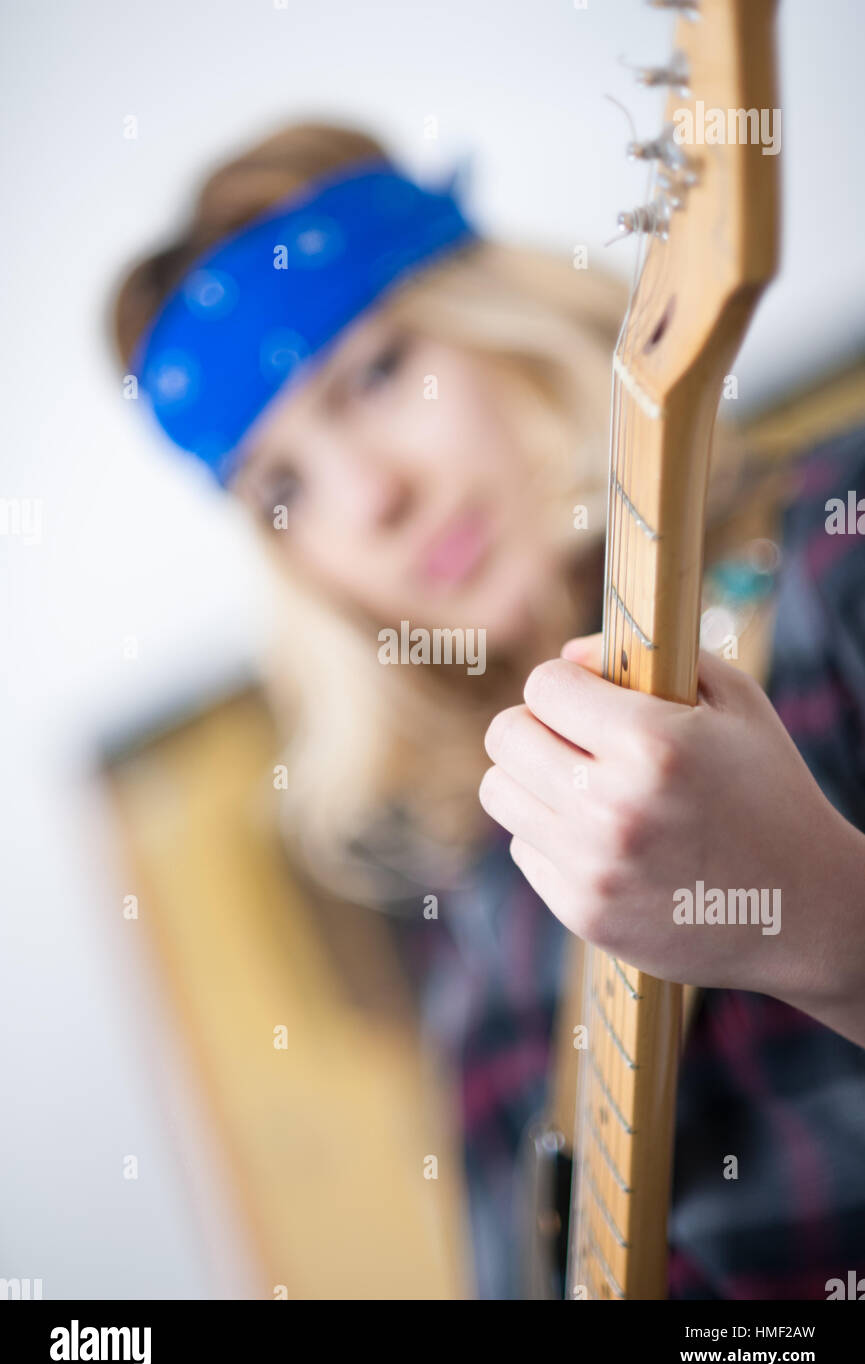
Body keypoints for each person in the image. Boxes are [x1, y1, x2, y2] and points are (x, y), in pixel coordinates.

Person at [109, 119, 865, 1299]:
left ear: (498, 318)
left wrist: (816, 916)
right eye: (285, 487)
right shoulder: (464, 890)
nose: (373, 498)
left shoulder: (841, 548)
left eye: (376, 373)